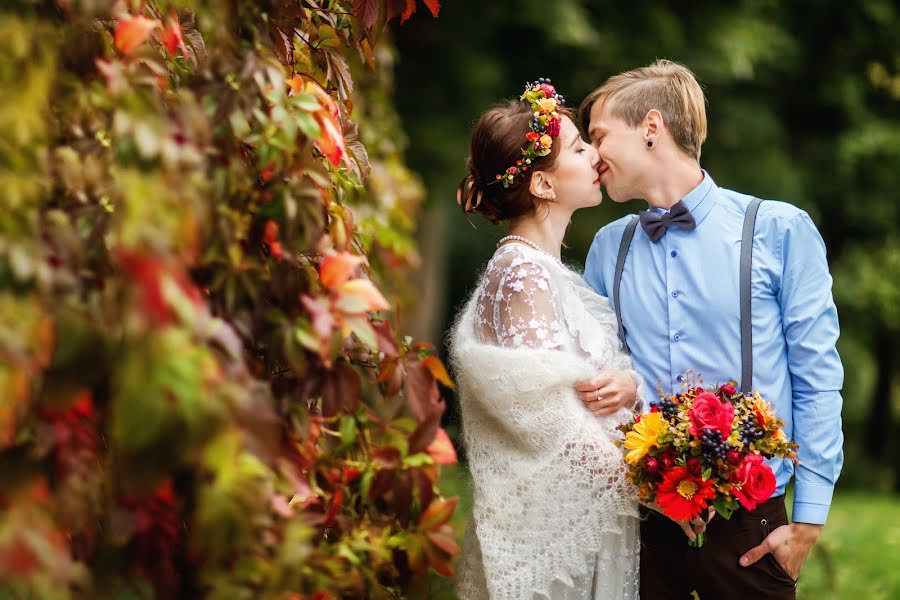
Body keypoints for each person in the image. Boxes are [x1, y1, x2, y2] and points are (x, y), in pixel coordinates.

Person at [576, 59, 844, 599]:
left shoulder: (778, 230)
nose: (592, 155)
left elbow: (816, 378)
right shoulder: (609, 247)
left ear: (651, 128)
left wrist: (808, 520)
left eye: (599, 135)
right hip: (641, 520)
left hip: (749, 522)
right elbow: (596, 377)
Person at [449, 80, 646, 600]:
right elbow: (547, 419)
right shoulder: (521, 275)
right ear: (542, 185)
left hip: (586, 510)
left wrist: (628, 384)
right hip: (553, 524)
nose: (594, 154)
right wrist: (652, 475)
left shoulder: (550, 274)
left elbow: (582, 386)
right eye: (580, 148)